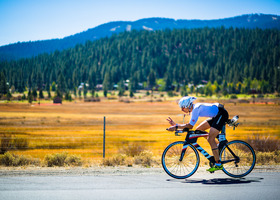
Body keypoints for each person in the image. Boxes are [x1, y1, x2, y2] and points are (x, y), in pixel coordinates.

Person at [167, 96, 229, 172]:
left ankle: (218, 164)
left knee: (210, 139)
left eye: (182, 108)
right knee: (198, 130)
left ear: (187, 105)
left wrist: (176, 126)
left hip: (221, 114)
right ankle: (218, 144)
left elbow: (190, 126)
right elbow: (190, 126)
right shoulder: (194, 108)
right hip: (217, 115)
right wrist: (176, 125)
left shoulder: (195, 109)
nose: (182, 110)